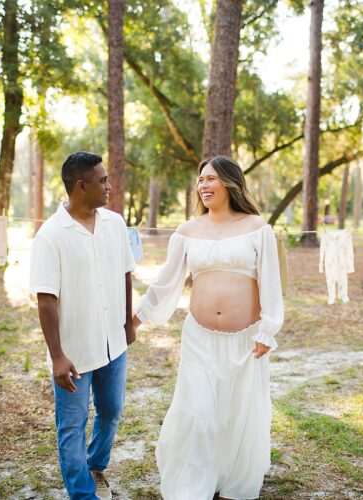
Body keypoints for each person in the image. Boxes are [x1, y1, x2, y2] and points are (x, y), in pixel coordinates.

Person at [133, 155, 284, 499]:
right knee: (199, 413)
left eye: (211, 178)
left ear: (230, 182)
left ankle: (231, 482)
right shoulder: (187, 231)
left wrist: (267, 330)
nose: (203, 185)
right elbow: (166, 283)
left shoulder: (257, 227)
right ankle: (192, 486)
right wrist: (137, 318)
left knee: (236, 414)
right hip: (199, 337)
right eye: (200, 180)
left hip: (245, 342)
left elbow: (271, 283)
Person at [29, 151, 136, 500]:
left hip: (112, 343)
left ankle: (95, 466)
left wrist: (127, 322)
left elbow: (125, 273)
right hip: (73, 354)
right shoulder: (51, 236)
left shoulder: (115, 223)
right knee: (71, 426)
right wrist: (57, 356)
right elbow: (46, 299)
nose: (109, 185)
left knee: (112, 412)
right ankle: (82, 494)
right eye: (102, 180)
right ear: (81, 185)